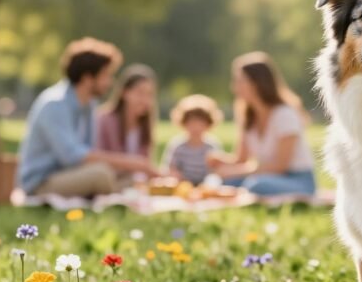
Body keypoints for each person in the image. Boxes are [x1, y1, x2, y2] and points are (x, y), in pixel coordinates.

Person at [17, 37, 159, 197]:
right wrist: (132, 162)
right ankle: (114, 192)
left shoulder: (89, 105)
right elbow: (72, 156)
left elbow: (90, 150)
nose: (110, 82)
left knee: (129, 177)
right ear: (88, 78)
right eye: (106, 75)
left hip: (72, 175)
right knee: (101, 174)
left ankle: (116, 191)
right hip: (41, 182)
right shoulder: (55, 104)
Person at [208, 51, 316, 196]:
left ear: (257, 83)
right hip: (266, 176)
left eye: (240, 81)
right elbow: (241, 160)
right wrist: (220, 161)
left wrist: (235, 171)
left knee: (257, 185)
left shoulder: (284, 114)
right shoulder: (247, 116)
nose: (234, 87)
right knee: (221, 181)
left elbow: (281, 166)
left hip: (297, 179)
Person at [96, 64, 157, 161]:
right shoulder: (104, 120)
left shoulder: (145, 127)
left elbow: (146, 162)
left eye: (149, 94)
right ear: (124, 92)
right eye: (140, 92)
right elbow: (98, 157)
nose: (145, 100)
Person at [161, 95, 223, 185]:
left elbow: (216, 170)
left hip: (205, 185)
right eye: (192, 123)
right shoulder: (178, 145)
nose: (196, 128)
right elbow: (171, 168)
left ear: (208, 124)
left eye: (200, 124)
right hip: (183, 184)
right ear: (184, 123)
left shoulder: (211, 145)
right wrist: (177, 176)